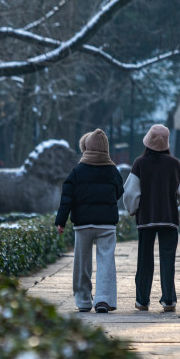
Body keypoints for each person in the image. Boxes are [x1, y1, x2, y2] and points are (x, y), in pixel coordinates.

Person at [55, 128, 124, 313]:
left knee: (82, 264)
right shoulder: (112, 170)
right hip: (107, 225)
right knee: (106, 261)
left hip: (83, 224)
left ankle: (83, 300)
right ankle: (103, 299)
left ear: (87, 147)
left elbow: (67, 198)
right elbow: (120, 191)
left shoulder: (77, 171)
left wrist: (61, 221)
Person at [123, 124, 180, 312]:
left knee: (144, 260)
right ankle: (169, 300)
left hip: (146, 219)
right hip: (169, 218)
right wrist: (174, 203)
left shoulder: (140, 163)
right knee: (168, 259)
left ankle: (142, 300)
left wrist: (133, 209)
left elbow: (130, 193)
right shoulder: (174, 164)